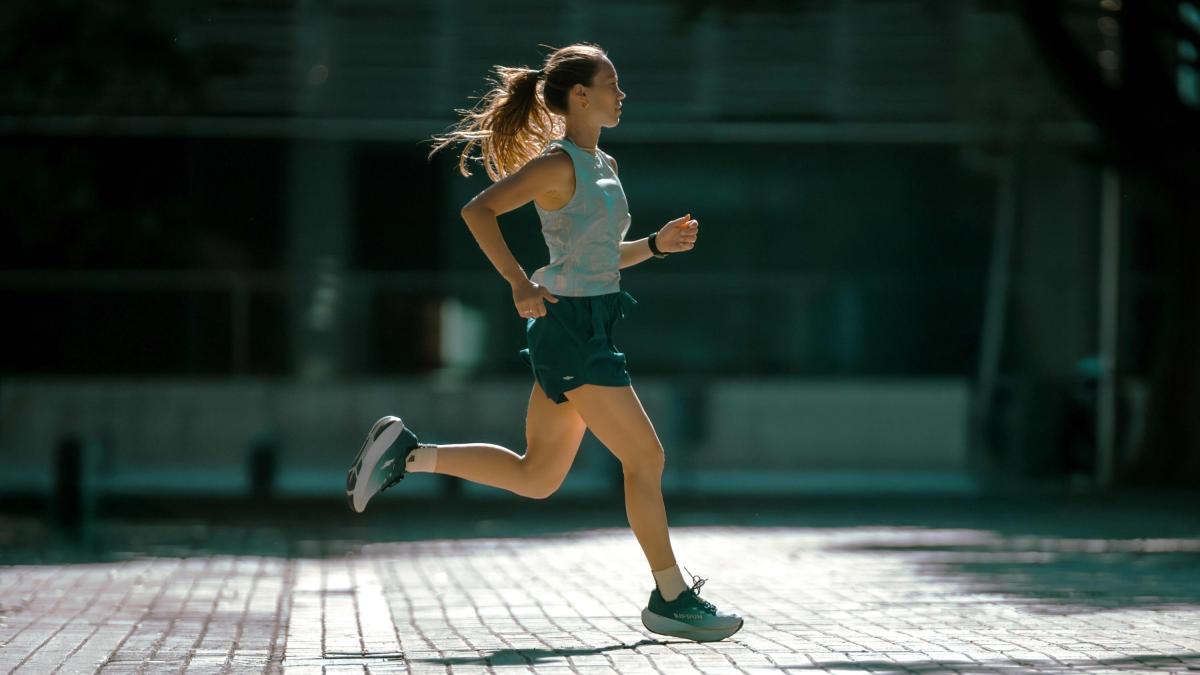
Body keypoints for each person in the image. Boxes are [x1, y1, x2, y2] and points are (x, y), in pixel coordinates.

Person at [344, 42, 742, 642]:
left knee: (537, 477)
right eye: (611, 84)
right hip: (571, 331)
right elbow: (479, 211)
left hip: (589, 326)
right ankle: (671, 596)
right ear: (580, 96)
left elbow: (601, 257)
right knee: (646, 459)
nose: (621, 94)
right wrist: (517, 283)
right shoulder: (558, 165)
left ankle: (407, 454)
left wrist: (656, 245)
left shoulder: (605, 163)